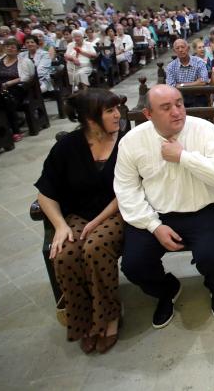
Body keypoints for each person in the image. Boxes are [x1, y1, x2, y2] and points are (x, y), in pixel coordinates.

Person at [114, 85, 214, 328]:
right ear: (148, 114)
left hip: (203, 209)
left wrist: (184, 157)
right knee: (133, 264)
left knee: (210, 257)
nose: (177, 111)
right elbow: (126, 189)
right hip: (155, 213)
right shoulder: (132, 141)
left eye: (179, 104)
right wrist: (153, 225)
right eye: (166, 107)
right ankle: (166, 290)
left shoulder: (204, 130)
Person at [35, 89, 124, 354]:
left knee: (95, 248)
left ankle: (109, 316)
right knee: (64, 253)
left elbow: (128, 190)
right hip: (77, 215)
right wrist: (61, 226)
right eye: (110, 110)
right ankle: (83, 320)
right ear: (90, 118)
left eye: (117, 108)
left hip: (116, 212)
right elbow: (45, 192)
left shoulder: (125, 142)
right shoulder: (67, 146)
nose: (118, 114)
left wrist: (97, 220)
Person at [0, 38, 36, 142]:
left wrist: (8, 84)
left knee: (7, 100)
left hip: (18, 89)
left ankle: (15, 130)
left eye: (13, 47)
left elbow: (26, 77)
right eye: (7, 46)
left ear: (18, 50)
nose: (9, 48)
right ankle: (0, 129)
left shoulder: (25, 61)